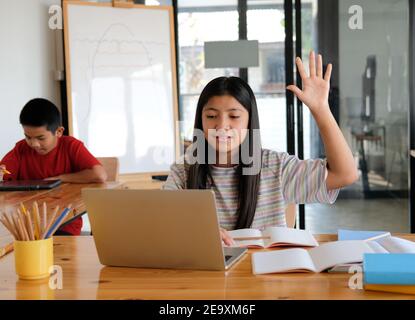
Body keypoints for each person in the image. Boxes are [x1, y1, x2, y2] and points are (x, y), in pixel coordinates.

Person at [163, 52, 358, 245]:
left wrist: (321, 109)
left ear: (249, 121)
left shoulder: (275, 166)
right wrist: (197, 228)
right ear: (201, 120)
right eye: (212, 116)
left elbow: (345, 174)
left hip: (267, 273)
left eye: (234, 116)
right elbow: (162, 221)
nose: (222, 126)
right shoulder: (184, 170)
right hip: (208, 273)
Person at [0, 98, 107, 235]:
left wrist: (60, 178)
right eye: (28, 137)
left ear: (59, 131)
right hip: (26, 227)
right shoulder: (21, 148)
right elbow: (3, 174)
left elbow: (99, 175)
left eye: (40, 138)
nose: (33, 144)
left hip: (63, 225)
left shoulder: (71, 146)